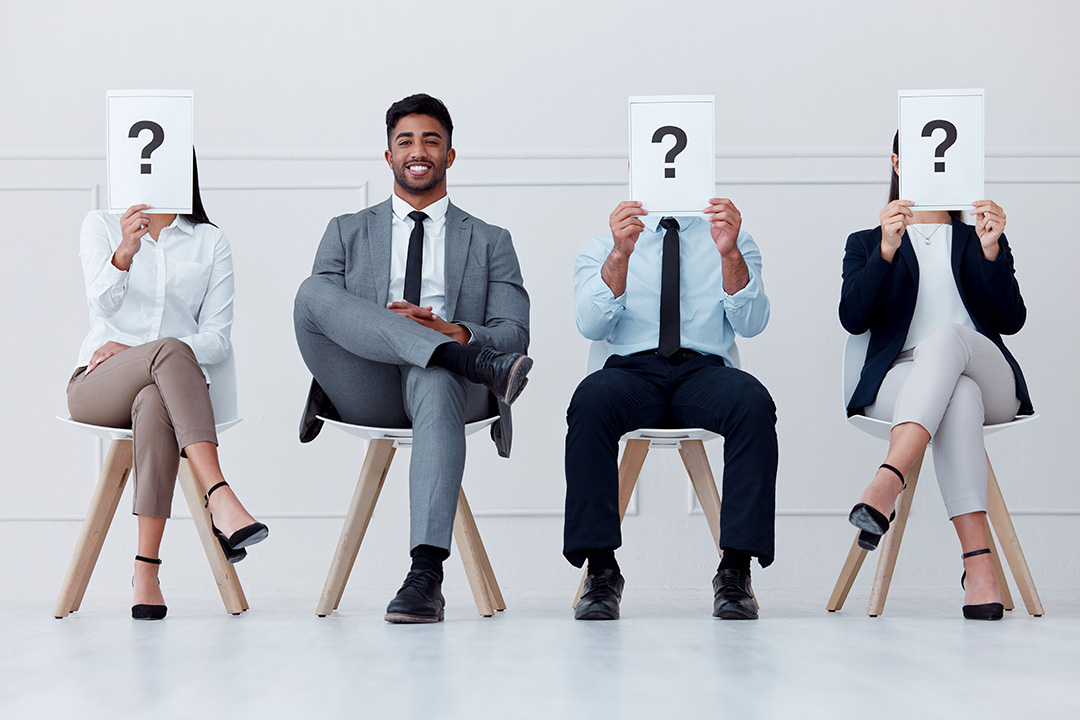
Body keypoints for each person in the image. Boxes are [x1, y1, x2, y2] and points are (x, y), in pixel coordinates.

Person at [293, 93, 531, 624]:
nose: (418, 150)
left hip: (448, 392)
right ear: (388, 156)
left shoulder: (492, 240)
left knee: (436, 376)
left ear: (450, 154)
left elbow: (516, 334)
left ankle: (425, 576)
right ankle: (458, 358)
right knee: (312, 292)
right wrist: (409, 333)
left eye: (431, 140)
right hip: (365, 383)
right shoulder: (345, 230)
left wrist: (452, 332)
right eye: (406, 141)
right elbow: (326, 315)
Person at [67, 152, 268, 621]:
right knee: (170, 350)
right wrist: (124, 252)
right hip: (97, 383)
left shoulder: (210, 241)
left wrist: (149, 353)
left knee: (158, 390)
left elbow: (217, 341)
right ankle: (219, 494)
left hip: (169, 396)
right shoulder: (100, 224)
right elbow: (99, 303)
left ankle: (146, 573)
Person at [840, 133, 1031, 621]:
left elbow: (1011, 320)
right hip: (899, 383)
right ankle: (979, 569)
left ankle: (888, 479)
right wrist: (886, 250)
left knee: (948, 342)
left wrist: (991, 252)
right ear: (897, 163)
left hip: (988, 376)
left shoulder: (978, 238)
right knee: (957, 396)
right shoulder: (867, 242)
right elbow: (853, 318)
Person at [563, 196, 778, 620]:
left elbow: (752, 324)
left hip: (702, 372)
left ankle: (735, 570)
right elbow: (590, 324)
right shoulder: (601, 244)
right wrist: (620, 253)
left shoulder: (731, 237)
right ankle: (601, 571)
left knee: (752, 402)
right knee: (589, 401)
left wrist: (730, 253)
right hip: (631, 371)